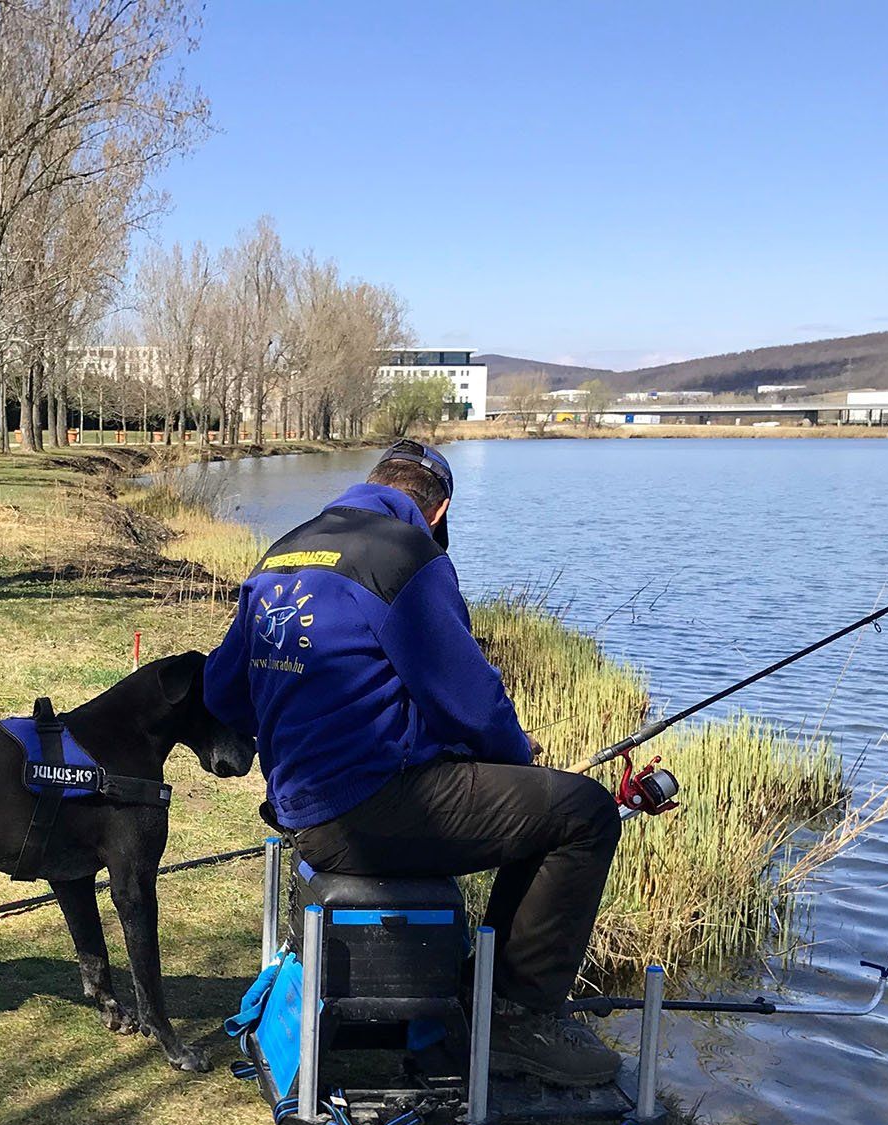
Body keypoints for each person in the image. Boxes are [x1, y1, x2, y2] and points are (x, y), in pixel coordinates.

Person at [203, 439, 625, 1086]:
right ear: (438, 511)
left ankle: (465, 997)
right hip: (370, 811)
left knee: (538, 807)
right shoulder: (405, 556)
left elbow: (223, 692)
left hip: (302, 810)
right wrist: (518, 755)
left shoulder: (285, 549)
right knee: (582, 811)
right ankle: (515, 1019)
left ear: (372, 483)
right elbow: (470, 703)